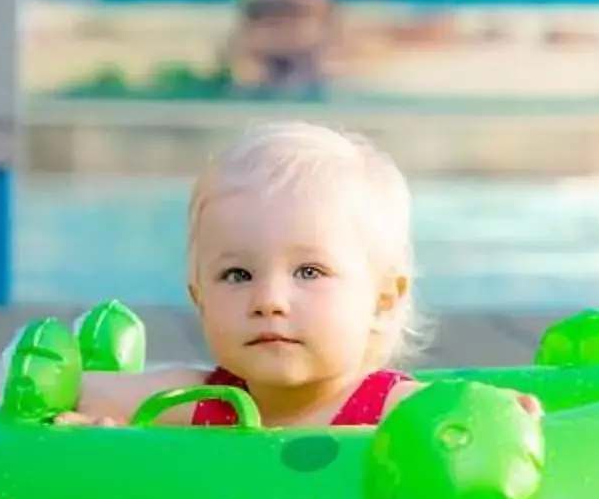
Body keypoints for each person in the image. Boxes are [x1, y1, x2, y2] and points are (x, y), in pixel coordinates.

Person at [68, 119, 432, 430]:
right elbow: (56, 390)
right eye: (238, 274)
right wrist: (90, 434)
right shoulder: (198, 401)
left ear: (383, 298)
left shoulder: (400, 414)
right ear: (200, 298)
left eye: (309, 271)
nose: (269, 301)